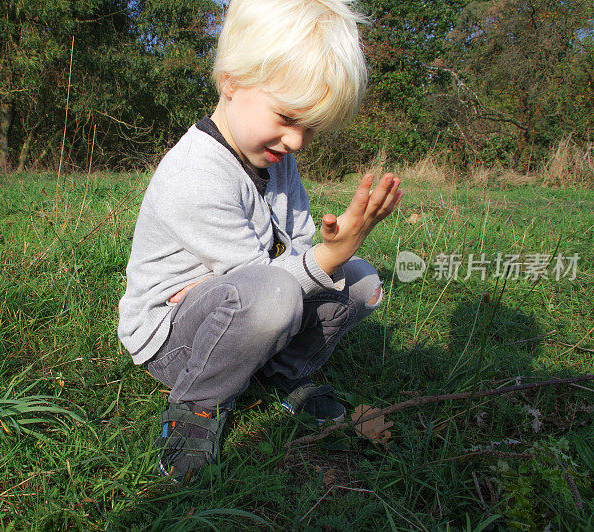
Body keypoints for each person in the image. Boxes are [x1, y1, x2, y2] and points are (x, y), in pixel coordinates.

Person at [118, 0, 403, 481]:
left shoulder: (275, 160)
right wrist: (322, 255)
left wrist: (323, 255)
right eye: (288, 117)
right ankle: (196, 405)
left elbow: (296, 244)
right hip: (177, 340)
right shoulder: (196, 174)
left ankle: (283, 373)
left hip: (244, 305)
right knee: (276, 293)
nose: (296, 141)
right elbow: (268, 280)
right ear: (231, 80)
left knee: (361, 281)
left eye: (310, 128)